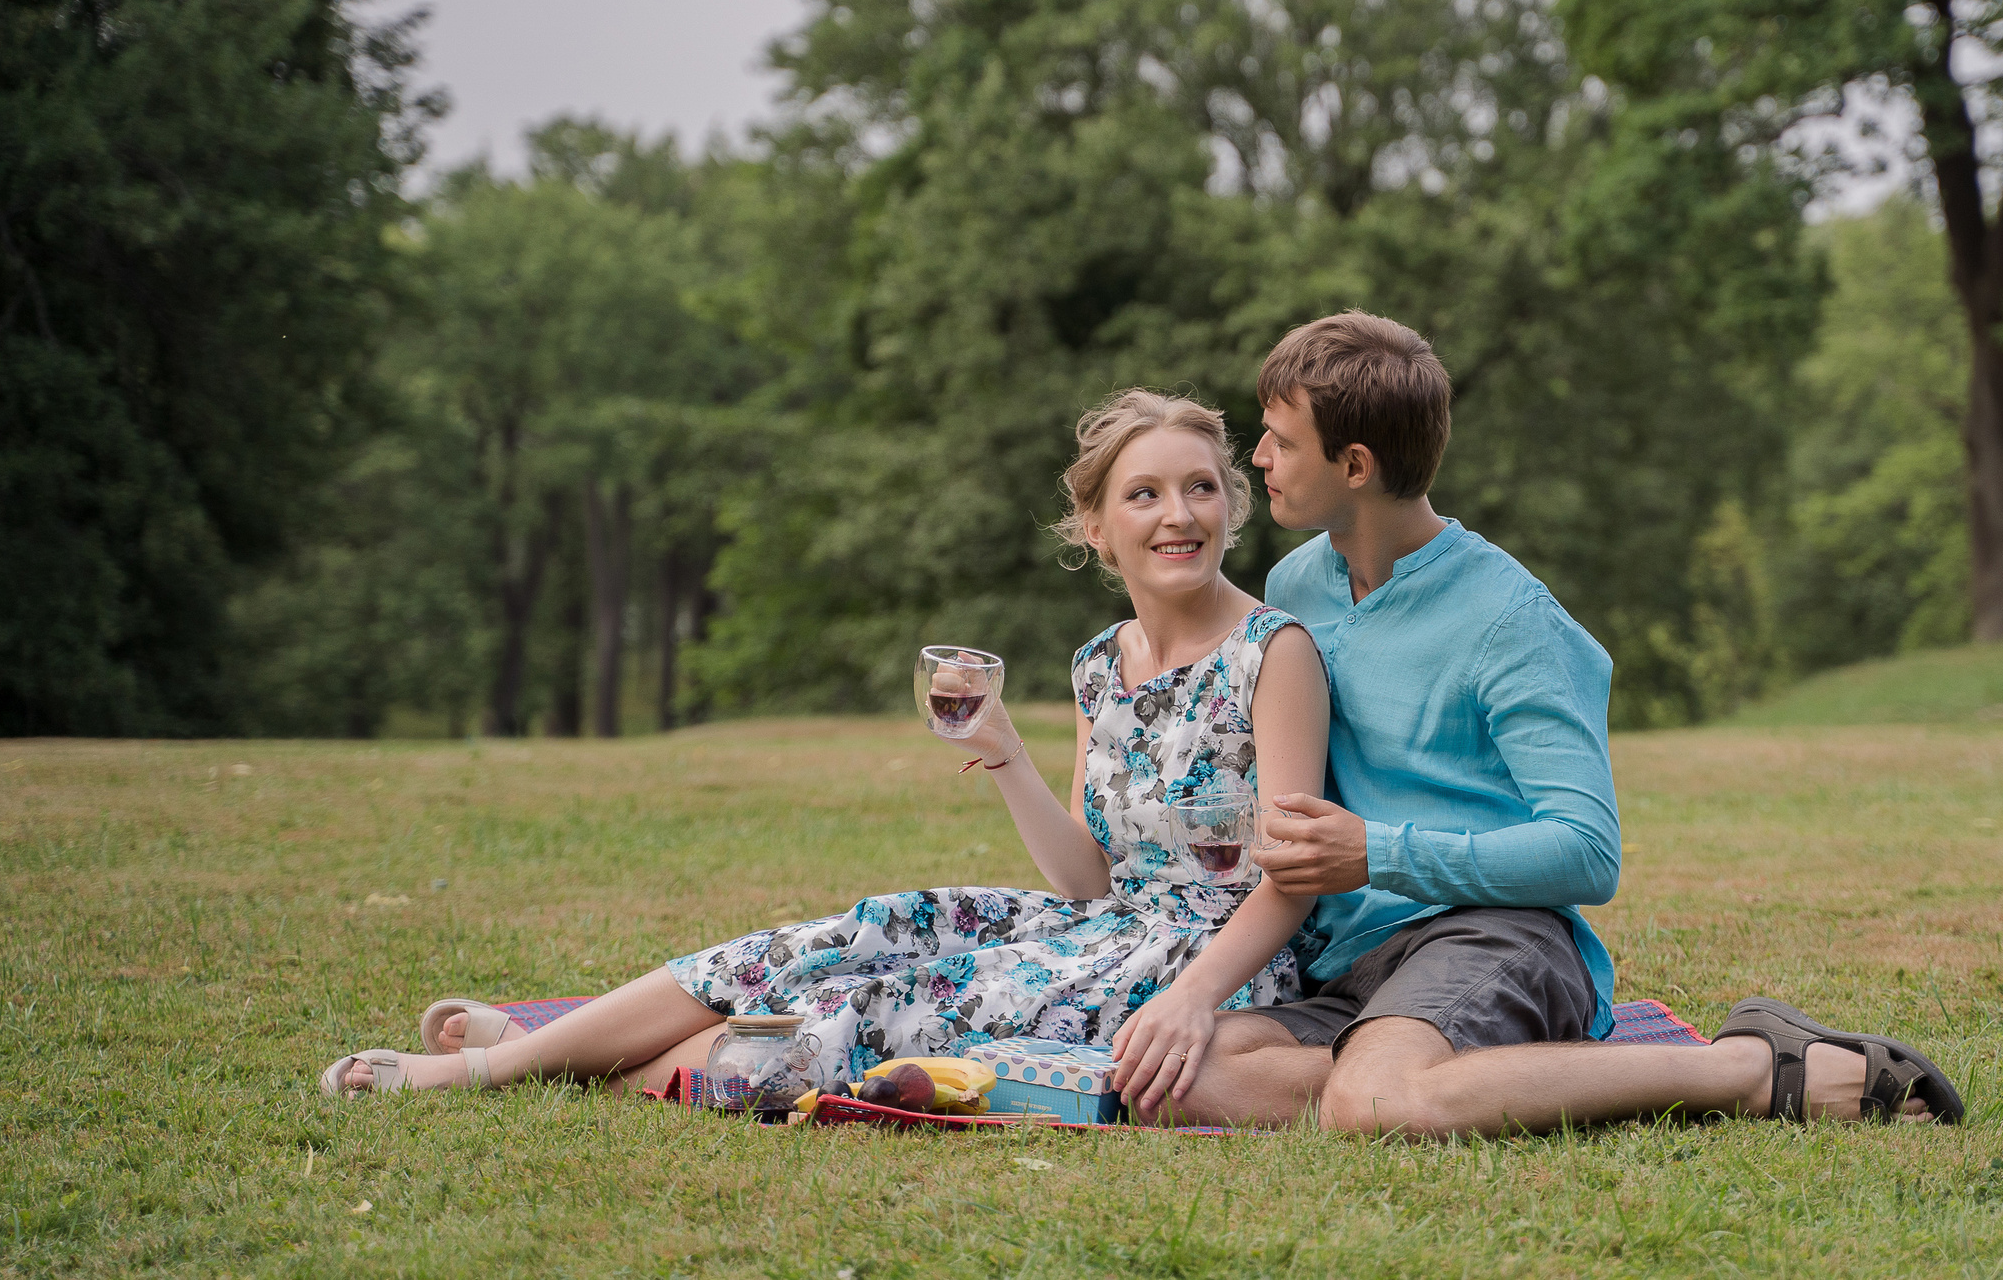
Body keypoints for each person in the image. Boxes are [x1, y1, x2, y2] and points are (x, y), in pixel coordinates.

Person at [320, 389, 1330, 1107]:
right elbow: (1084, 878)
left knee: (880, 1008)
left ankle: (512, 1066)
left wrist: (1195, 998)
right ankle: (563, 1053)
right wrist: (1007, 755)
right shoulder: (1098, 663)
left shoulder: (1272, 653)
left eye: (1200, 488)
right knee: (847, 936)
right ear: (1096, 525)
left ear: (1231, 509)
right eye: (1144, 494)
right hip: (1100, 925)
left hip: (1208, 957)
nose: (1178, 514)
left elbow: (1293, 882)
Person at [1147, 312, 1963, 1135]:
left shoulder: (1511, 618)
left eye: (1281, 442)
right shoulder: (1296, 585)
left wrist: (1378, 851)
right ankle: (1433, 1075)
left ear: (1353, 464)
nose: (1258, 458)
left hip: (1493, 936)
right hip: (1348, 963)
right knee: (1178, 1076)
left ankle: (1747, 1067)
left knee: (1369, 1104)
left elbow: (1588, 850)